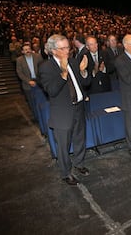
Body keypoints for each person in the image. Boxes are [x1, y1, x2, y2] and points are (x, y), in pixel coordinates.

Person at [38, 34, 91, 185]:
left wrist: (83, 71)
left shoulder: (73, 62)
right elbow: (52, 91)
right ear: (53, 51)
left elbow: (85, 83)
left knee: (80, 139)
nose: (67, 50)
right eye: (63, 48)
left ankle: (79, 164)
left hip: (79, 108)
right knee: (63, 145)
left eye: (68, 47)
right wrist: (63, 74)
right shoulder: (45, 67)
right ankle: (66, 172)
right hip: (62, 112)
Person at [16, 43, 43, 120]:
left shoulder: (38, 56)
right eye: (25, 50)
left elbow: (42, 67)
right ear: (22, 52)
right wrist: (28, 81)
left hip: (39, 82)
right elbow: (19, 73)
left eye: (28, 49)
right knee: (32, 102)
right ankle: (36, 117)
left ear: (31, 49)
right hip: (27, 84)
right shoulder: (19, 60)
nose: (27, 51)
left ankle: (42, 116)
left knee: (41, 101)